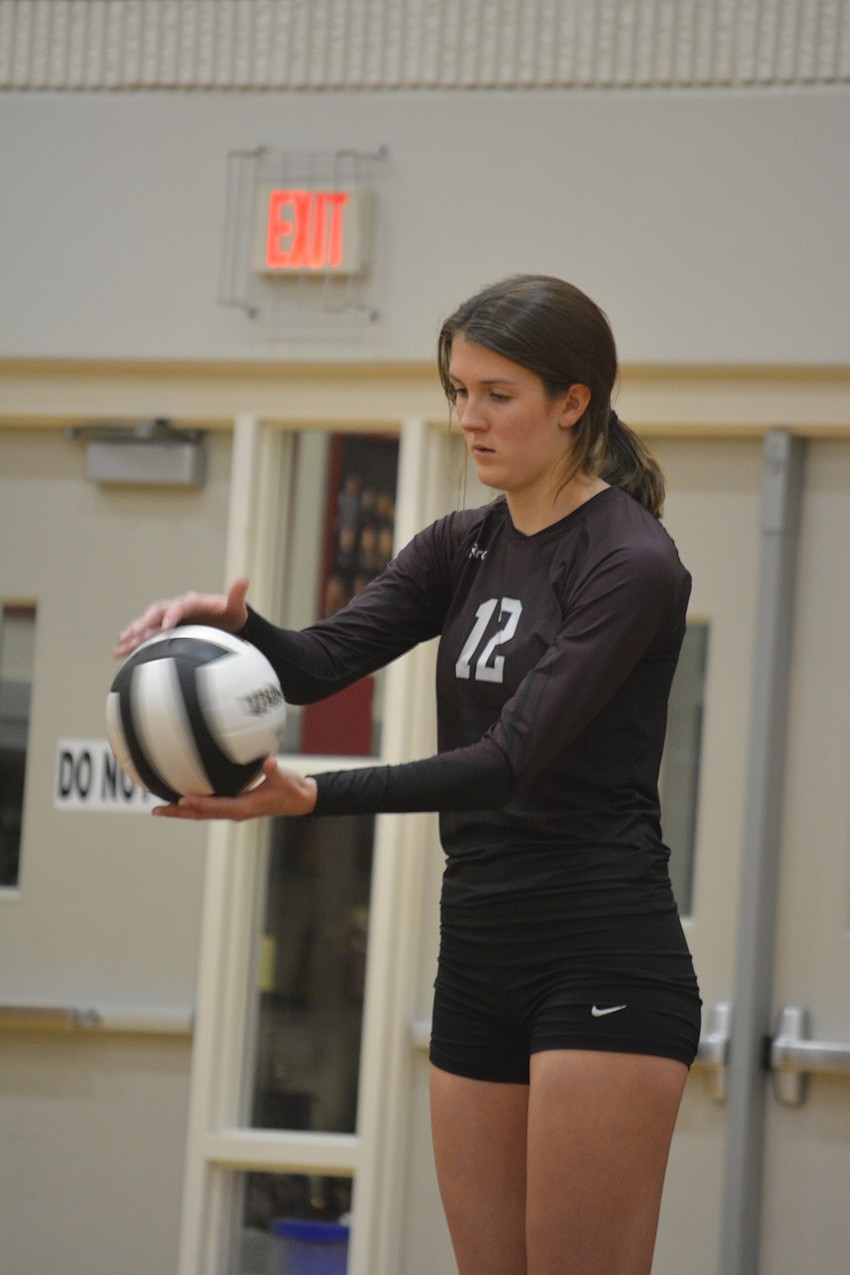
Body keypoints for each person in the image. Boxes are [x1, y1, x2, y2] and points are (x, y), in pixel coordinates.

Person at [116, 275, 701, 1275]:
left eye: (495, 394)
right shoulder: (460, 544)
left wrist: (311, 794)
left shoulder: (630, 561)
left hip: (600, 951)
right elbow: (316, 664)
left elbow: (508, 761)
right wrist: (232, 630)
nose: (467, 418)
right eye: (455, 390)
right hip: (477, 947)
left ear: (574, 402)